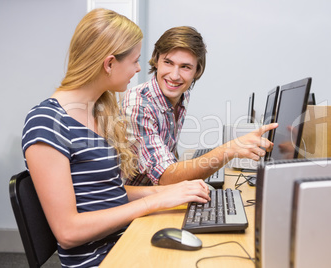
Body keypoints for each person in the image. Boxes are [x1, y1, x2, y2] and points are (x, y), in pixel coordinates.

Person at [21, 8, 210, 267]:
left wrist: (170, 191)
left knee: (213, 249)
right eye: (134, 61)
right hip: (102, 259)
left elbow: (110, 192)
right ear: (109, 63)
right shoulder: (47, 122)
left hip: (126, 239)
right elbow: (68, 233)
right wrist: (155, 201)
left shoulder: (100, 111)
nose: (138, 69)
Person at [121, 26, 278, 186]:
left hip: (158, 195)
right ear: (156, 61)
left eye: (185, 67)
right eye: (168, 63)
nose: (174, 76)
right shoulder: (139, 105)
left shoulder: (182, 94)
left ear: (197, 70)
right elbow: (166, 177)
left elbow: (167, 150)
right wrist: (228, 150)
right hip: (132, 203)